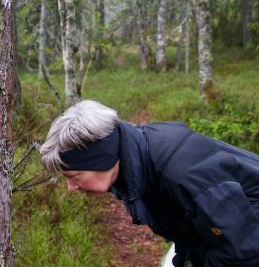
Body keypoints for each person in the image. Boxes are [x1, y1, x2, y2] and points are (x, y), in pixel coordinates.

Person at [39, 100, 259, 267]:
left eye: (74, 176)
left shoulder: (181, 173)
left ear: (102, 159)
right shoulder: (134, 162)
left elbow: (244, 250)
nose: (71, 187)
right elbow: (186, 228)